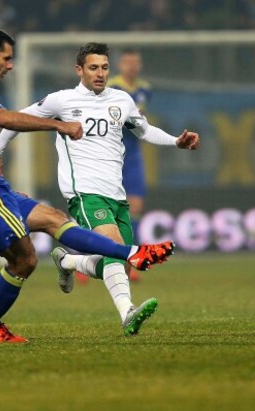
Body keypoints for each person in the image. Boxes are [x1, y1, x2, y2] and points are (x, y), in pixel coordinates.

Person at [0, 26, 175, 344]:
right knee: (32, 252)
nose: (10, 65)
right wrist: (58, 125)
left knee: (41, 239)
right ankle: (132, 255)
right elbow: (7, 120)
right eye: (7, 59)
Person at [0, 42, 199, 336]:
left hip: (117, 194)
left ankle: (67, 260)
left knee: (117, 263)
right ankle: (127, 313)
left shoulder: (122, 100)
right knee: (117, 250)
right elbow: (13, 121)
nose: (100, 73)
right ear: (79, 70)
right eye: (93, 68)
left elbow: (144, 130)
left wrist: (175, 141)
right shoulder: (61, 101)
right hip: (84, 193)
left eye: (104, 67)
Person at [106, 49, 151, 283]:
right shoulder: (110, 87)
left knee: (135, 206)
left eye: (135, 62)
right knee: (105, 210)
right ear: (121, 65)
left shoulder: (145, 88)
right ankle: (84, 257)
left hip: (133, 156)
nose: (131, 66)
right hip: (111, 155)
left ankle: (129, 261)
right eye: (127, 62)